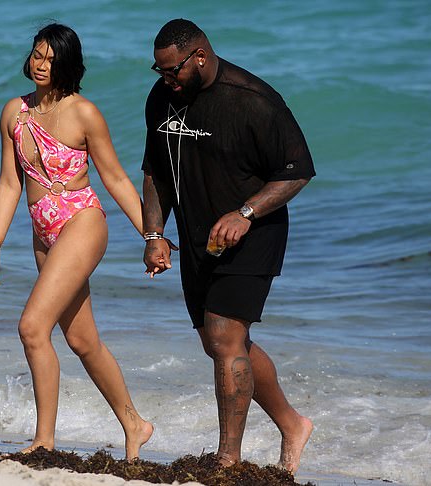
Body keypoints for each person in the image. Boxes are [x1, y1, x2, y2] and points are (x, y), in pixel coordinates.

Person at [141, 19, 315, 472]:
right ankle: (293, 424)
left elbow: (296, 170)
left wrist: (246, 213)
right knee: (219, 345)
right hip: (196, 236)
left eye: (172, 70)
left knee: (224, 337)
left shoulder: (254, 101)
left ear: (199, 55)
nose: (166, 80)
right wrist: (154, 235)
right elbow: (156, 172)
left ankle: (228, 461)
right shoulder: (162, 99)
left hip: (254, 234)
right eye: (159, 72)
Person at [0, 23, 153, 460]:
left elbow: (114, 178)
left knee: (32, 327)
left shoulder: (84, 113)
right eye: (38, 55)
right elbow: (9, 184)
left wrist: (153, 236)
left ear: (68, 65)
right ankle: (135, 424)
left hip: (82, 221)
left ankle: (44, 440)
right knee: (82, 341)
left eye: (52, 59)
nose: (42, 65)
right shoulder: (13, 113)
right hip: (43, 232)